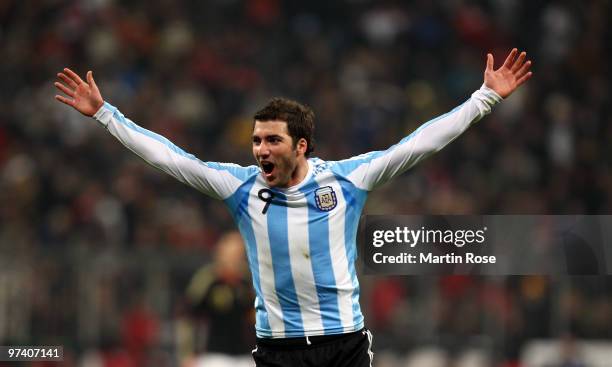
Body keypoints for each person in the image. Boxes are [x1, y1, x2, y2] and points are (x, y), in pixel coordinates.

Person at [54, 48, 532, 367]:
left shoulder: (347, 180)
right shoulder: (240, 188)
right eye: (256, 139)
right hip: (278, 350)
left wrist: (485, 98)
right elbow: (172, 158)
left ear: (300, 145)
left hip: (344, 344)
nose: (260, 149)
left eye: (272, 140)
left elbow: (419, 144)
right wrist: (106, 115)